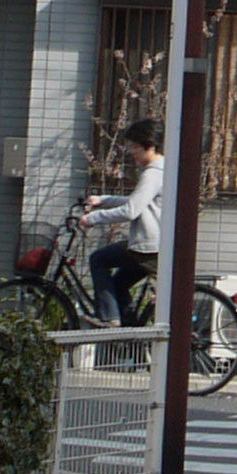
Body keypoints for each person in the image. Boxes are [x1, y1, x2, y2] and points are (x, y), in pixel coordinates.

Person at [85, 126, 165, 326]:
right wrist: (102, 200)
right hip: (155, 246)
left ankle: (109, 318)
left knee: (98, 259)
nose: (132, 152)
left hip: (146, 246)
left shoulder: (152, 174)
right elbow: (136, 202)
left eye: (136, 147)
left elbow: (131, 211)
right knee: (118, 285)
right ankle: (129, 329)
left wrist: (93, 218)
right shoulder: (162, 170)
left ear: (150, 147)